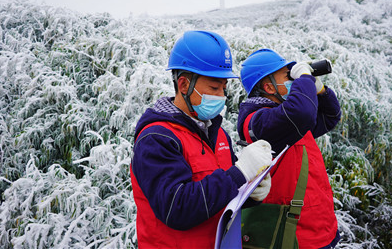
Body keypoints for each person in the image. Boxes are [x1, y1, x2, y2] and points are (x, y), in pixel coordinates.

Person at [130, 31, 273, 248]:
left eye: (223, 88)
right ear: (184, 84)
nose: (221, 97)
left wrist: (251, 191)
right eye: (214, 88)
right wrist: (239, 174)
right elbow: (176, 208)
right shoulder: (156, 138)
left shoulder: (217, 133)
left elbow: (222, 198)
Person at [237, 49, 342, 249]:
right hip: (292, 237)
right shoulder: (258, 122)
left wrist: (320, 90)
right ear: (268, 87)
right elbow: (301, 112)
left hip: (320, 229)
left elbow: (330, 116)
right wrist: (304, 77)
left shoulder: (290, 121)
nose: (293, 79)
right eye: (288, 76)